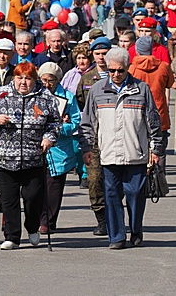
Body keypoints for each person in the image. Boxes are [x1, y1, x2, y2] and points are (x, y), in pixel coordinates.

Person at [80, 47, 162, 249]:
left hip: (136, 154)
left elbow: (153, 122)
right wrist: (86, 148)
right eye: (112, 71)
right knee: (112, 196)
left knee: (135, 194)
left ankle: (135, 229)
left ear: (128, 69)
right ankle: (116, 236)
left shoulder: (141, 89)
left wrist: (156, 150)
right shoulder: (97, 90)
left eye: (120, 71)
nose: (116, 75)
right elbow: (87, 122)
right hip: (108, 155)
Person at [0, 62, 60, 250]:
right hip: (6, 157)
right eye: (19, 78)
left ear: (34, 80)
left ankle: (32, 227)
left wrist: (49, 138)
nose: (23, 82)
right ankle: (12, 236)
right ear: (13, 78)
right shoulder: (0, 94)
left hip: (34, 158)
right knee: (9, 200)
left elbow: (55, 123)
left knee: (32, 197)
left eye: (28, 78)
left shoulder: (45, 97)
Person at [37, 62, 82, 234]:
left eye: (51, 81)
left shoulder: (68, 98)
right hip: (36, 147)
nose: (47, 84)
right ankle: (37, 217)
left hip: (59, 150)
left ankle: (48, 221)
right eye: (44, 80)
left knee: (54, 187)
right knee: (37, 186)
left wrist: (61, 128)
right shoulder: (36, 95)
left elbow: (75, 121)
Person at [75, 38, 111, 236]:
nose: (101, 57)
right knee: (95, 180)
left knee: (115, 181)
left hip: (115, 138)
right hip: (94, 139)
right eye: (98, 54)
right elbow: (81, 104)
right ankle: (101, 219)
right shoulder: (87, 79)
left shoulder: (121, 75)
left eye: (105, 53)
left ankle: (117, 217)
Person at [128, 36, 174, 179]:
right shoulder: (163, 67)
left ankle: (142, 181)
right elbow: (170, 83)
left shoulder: (132, 69)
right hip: (159, 112)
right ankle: (159, 181)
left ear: (136, 51)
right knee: (159, 150)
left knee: (139, 149)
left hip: (138, 113)